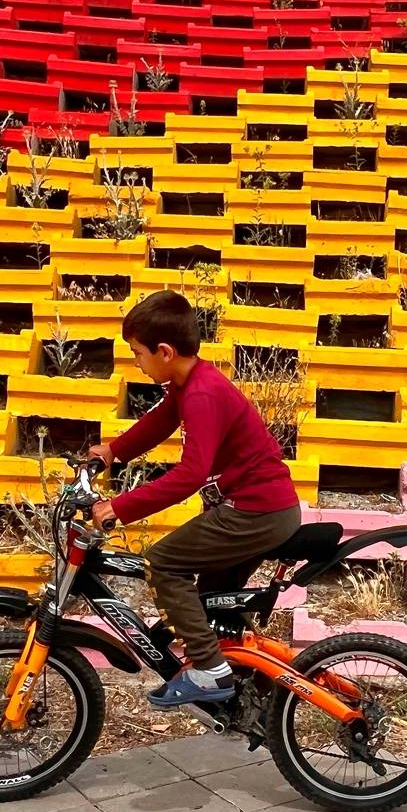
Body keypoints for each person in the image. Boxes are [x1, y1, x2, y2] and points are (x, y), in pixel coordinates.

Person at [89, 290, 301, 706]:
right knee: (213, 606)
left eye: (137, 353)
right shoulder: (190, 383)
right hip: (262, 508)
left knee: (163, 562)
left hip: (255, 512)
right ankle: (250, 695)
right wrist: (113, 451)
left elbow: (191, 474)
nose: (136, 362)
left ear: (165, 352)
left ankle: (210, 671)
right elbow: (160, 421)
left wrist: (120, 506)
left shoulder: (202, 393)